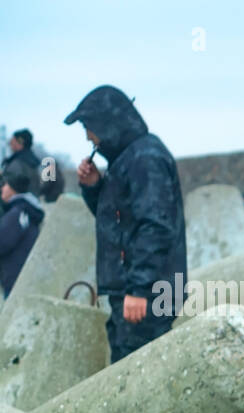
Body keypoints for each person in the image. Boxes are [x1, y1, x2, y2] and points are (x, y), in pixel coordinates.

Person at [65, 85, 186, 362]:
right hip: (136, 294)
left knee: (139, 379)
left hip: (147, 297)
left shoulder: (145, 159)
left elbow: (156, 227)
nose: (88, 137)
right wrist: (94, 187)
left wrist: (139, 290)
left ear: (106, 124)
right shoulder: (130, 159)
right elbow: (119, 226)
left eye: (88, 126)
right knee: (128, 373)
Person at [0, 167, 44, 296]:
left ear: (13, 189)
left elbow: (2, 242)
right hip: (21, 277)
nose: (2, 188)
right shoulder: (25, 209)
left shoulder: (17, 212)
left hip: (14, 278)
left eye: (5, 185)